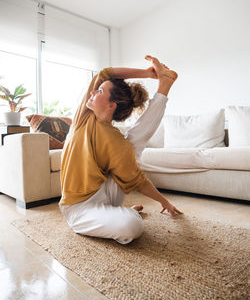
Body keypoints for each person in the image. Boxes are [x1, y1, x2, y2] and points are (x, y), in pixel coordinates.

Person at [59, 55, 183, 244]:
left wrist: (164, 201)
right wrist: (149, 74)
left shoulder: (117, 141)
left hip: (104, 195)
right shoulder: (83, 118)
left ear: (111, 105)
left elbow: (137, 180)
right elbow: (105, 73)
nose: (92, 92)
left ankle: (164, 87)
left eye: (99, 91)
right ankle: (120, 215)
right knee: (132, 225)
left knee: (133, 144)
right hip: (78, 208)